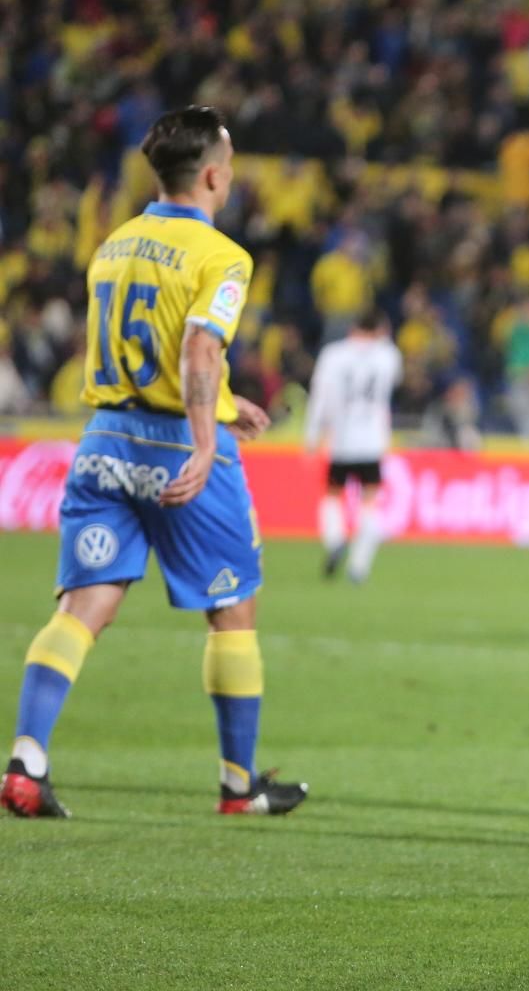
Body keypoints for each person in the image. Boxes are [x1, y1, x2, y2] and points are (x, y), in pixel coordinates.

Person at [3, 107, 307, 819]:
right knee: (232, 607)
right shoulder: (222, 256)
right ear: (213, 176)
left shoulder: (113, 245)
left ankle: (26, 762)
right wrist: (206, 438)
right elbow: (196, 347)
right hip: (175, 448)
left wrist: (223, 402)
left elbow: (147, 348)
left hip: (106, 442)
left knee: (83, 608)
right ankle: (239, 785)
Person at [306, 309, 403, 583]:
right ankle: (359, 566)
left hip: (342, 438)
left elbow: (320, 396)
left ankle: (335, 539)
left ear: (352, 328)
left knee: (332, 495)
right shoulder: (388, 355)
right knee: (369, 504)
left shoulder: (333, 355)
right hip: (374, 439)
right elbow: (395, 379)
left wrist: (312, 435)